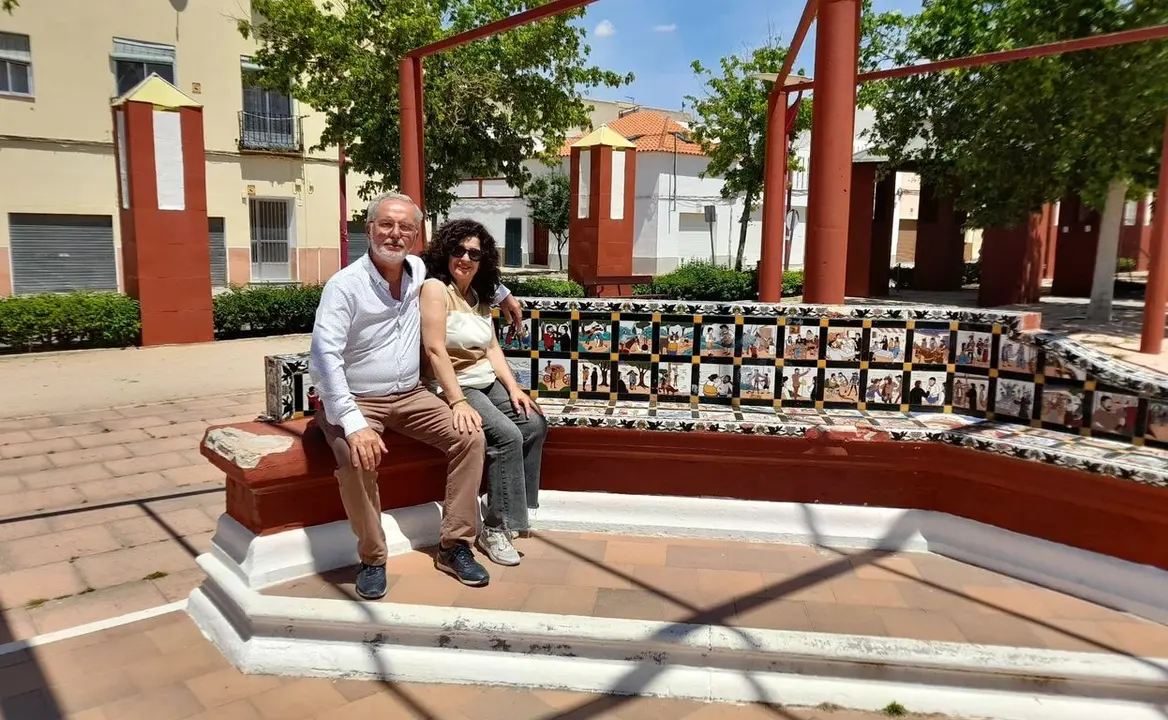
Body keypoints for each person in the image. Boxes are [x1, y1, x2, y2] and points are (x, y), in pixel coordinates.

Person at [309, 192, 523, 599]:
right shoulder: (345, 286)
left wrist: (502, 294)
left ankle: (454, 544)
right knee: (356, 460)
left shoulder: (419, 270)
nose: (395, 234)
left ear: (416, 234)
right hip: (357, 399)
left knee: (470, 437)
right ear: (369, 228)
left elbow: (467, 270)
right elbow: (323, 358)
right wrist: (353, 424)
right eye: (386, 224)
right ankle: (373, 557)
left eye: (405, 227)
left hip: (410, 395)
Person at [419, 219, 548, 567]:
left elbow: (492, 348)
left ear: (483, 259)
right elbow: (434, 349)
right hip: (455, 384)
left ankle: (509, 506)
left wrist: (514, 388)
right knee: (506, 435)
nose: (465, 258)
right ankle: (495, 528)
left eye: (474, 253)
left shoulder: (479, 295)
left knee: (533, 422)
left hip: (486, 380)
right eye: (458, 250)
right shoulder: (435, 289)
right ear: (446, 252)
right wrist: (456, 400)